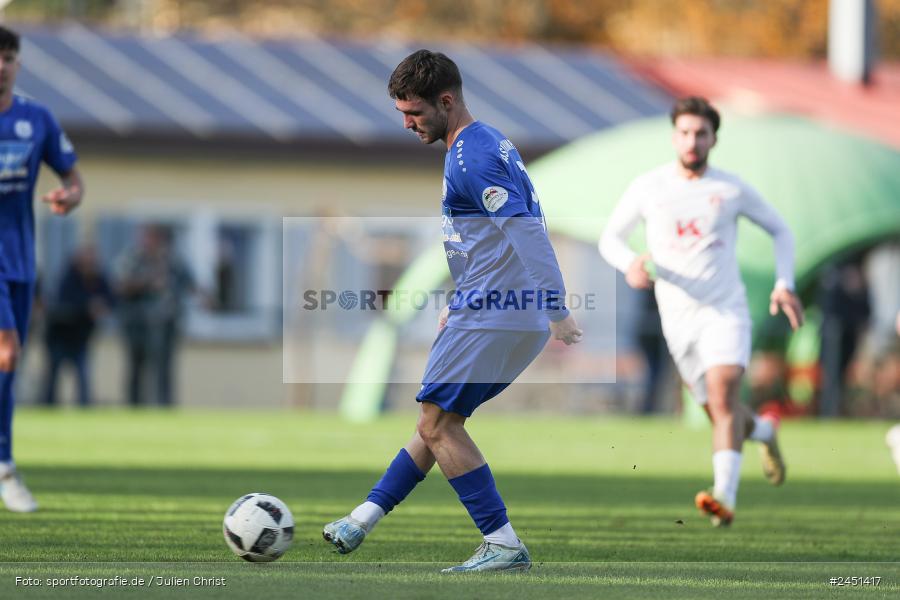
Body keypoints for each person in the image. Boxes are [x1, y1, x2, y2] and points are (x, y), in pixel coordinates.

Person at [322, 50, 582, 572]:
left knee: (438, 424)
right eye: (401, 113)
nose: (406, 124)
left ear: (446, 100)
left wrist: (558, 307)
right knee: (439, 420)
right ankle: (362, 518)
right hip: (495, 308)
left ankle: (503, 542)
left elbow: (527, 233)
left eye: (414, 113)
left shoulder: (473, 157)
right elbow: (487, 240)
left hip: (495, 312)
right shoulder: (483, 142)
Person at [600, 97, 804, 526]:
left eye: (701, 134)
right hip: (677, 320)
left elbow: (780, 229)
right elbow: (610, 239)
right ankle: (764, 431)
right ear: (675, 136)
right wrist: (631, 263)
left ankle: (724, 498)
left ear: (714, 139)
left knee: (726, 396)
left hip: (725, 311)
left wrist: (784, 284)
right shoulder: (649, 187)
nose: (693, 141)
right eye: (686, 133)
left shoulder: (729, 189)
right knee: (719, 412)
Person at [0, 26, 84, 512]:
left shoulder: (37, 119)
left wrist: (70, 196)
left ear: (19, 63)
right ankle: (6, 465)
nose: (1, 66)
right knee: (7, 353)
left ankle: (4, 461)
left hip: (20, 261)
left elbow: (73, 177)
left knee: (8, 367)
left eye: (8, 57)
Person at [115, 225, 194, 407]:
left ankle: (164, 404)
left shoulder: (172, 261)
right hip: (137, 322)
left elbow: (189, 282)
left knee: (164, 367)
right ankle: (134, 406)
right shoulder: (132, 258)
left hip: (166, 322)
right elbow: (121, 286)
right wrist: (147, 282)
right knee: (137, 365)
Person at [41, 246, 114, 407]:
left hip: (81, 338)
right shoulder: (68, 278)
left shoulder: (98, 279)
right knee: (53, 376)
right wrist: (88, 307)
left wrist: (101, 307)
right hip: (59, 336)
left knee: (83, 376)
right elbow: (63, 304)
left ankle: (84, 408)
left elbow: (111, 299)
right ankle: (47, 406)